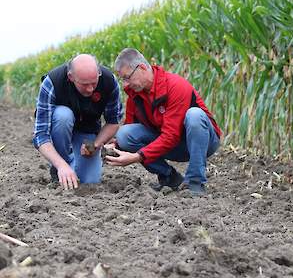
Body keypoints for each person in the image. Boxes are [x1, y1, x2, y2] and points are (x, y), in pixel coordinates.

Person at [106, 48, 221, 195]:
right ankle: (169, 178)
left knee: (195, 116)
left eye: (127, 77)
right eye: (123, 79)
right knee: (124, 135)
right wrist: (114, 146)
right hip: (172, 146)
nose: (125, 85)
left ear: (141, 68)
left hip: (203, 142)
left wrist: (137, 157)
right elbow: (130, 127)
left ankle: (195, 182)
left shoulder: (175, 86)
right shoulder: (135, 95)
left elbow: (171, 136)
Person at [33, 54, 123, 189]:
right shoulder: (52, 82)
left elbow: (113, 122)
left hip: (87, 129)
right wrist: (61, 165)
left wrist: (95, 144)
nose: (90, 89)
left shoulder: (109, 81)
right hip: (60, 127)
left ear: (98, 73)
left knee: (90, 181)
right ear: (71, 77)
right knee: (63, 116)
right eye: (85, 84)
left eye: (94, 83)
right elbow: (40, 135)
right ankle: (60, 166)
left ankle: (72, 165)